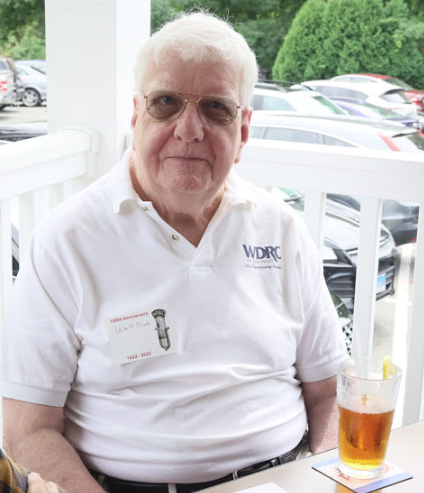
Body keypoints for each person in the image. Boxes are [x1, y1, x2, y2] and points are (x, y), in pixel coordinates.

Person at [1, 11, 348, 493]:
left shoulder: (283, 229)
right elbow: (28, 428)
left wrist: (324, 478)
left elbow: (330, 391)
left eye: (215, 107)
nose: (189, 129)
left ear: (243, 129)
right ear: (136, 114)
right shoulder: (67, 239)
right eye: (166, 102)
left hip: (281, 479)